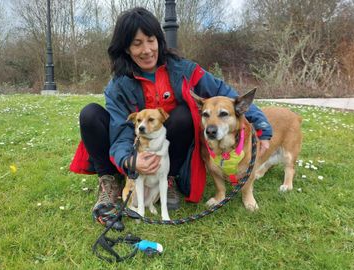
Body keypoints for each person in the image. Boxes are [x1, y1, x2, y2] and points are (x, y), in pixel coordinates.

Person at [69, 7, 272, 219]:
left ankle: (169, 178)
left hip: (170, 146)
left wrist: (262, 126)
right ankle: (110, 181)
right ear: (126, 49)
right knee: (90, 114)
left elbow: (227, 94)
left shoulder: (184, 70)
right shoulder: (117, 86)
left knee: (184, 115)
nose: (147, 50)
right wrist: (130, 161)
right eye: (137, 44)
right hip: (135, 146)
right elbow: (120, 131)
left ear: (159, 40)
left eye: (150, 40)